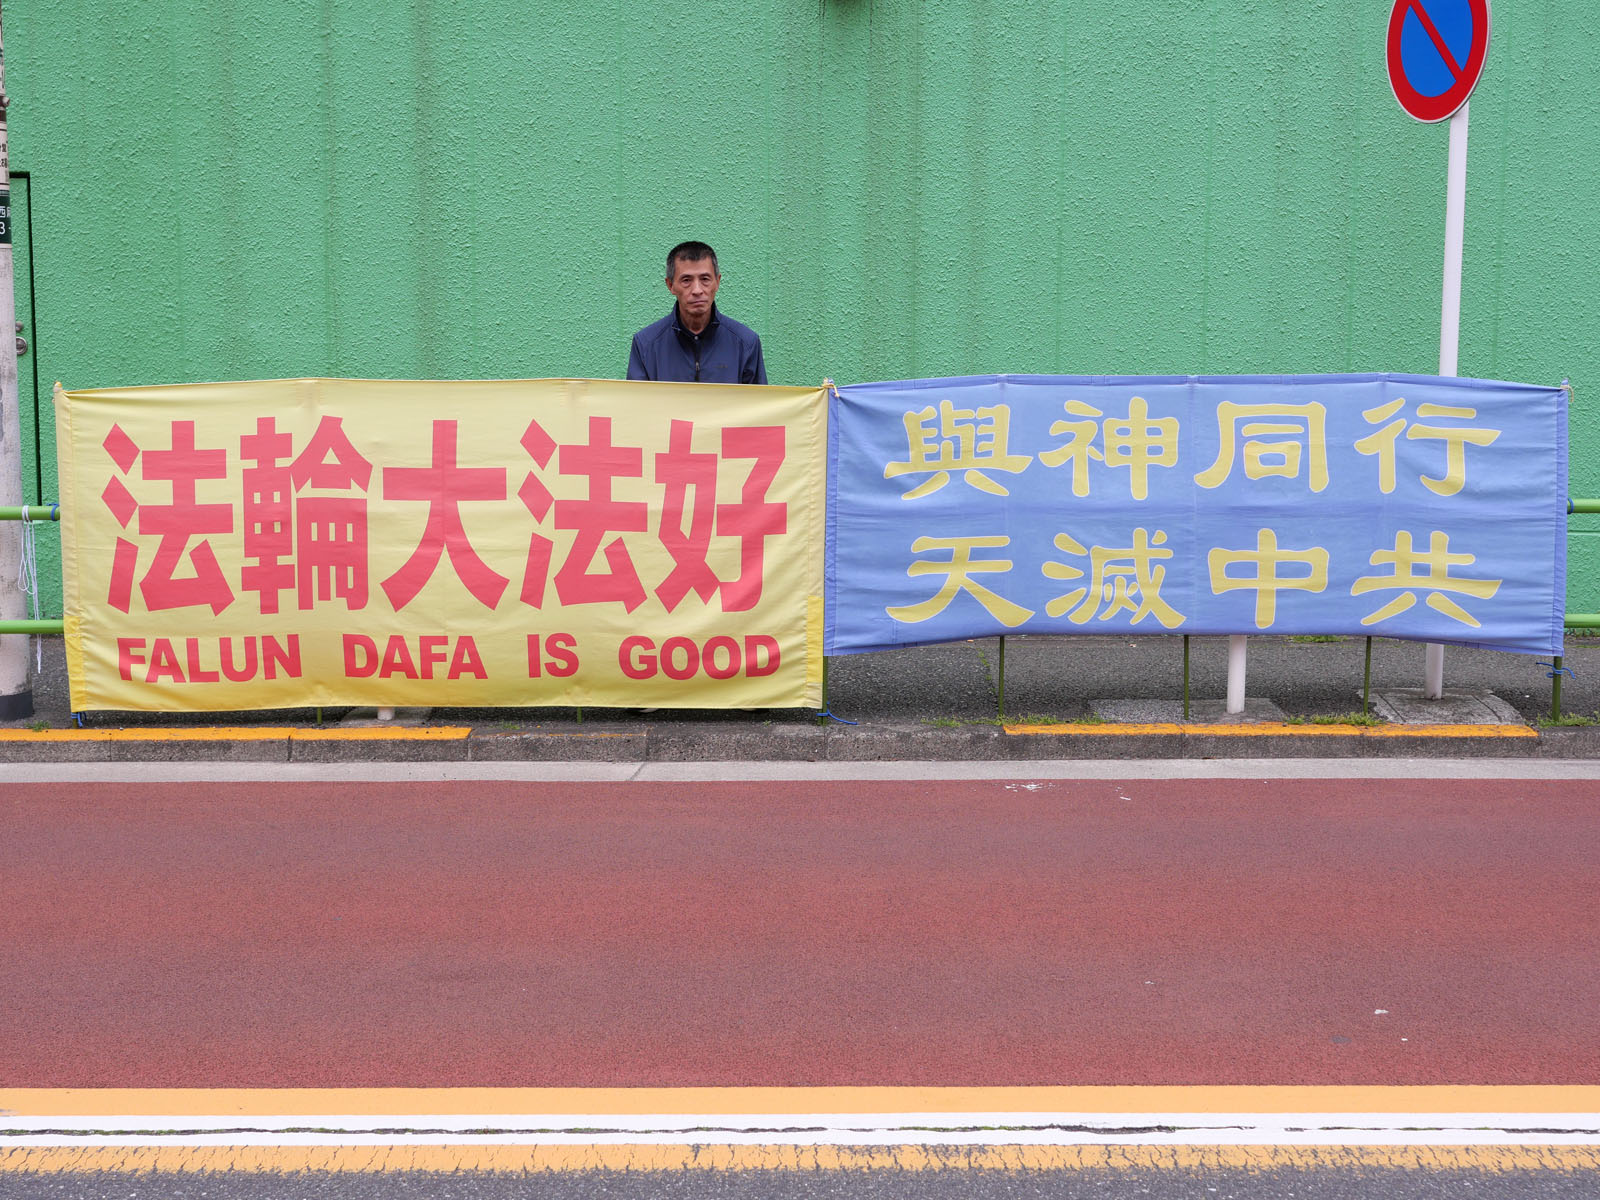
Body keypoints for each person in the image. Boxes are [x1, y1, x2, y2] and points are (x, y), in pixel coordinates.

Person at [627, 241, 767, 384]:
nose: (697, 290)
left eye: (705, 279)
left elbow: (758, 399)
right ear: (670, 285)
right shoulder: (645, 344)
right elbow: (637, 398)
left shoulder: (746, 343)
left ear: (717, 282)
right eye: (686, 280)